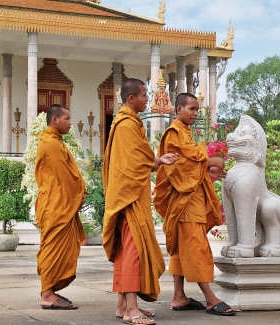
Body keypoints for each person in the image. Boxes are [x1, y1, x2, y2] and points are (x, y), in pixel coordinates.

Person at [103, 78, 179, 325]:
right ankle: (131, 309)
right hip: (129, 197)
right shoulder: (126, 125)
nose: (148, 99)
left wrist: (157, 161)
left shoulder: (129, 123)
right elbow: (132, 163)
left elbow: (138, 157)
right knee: (133, 250)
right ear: (131, 98)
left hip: (130, 194)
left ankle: (122, 305)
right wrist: (154, 161)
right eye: (145, 95)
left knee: (125, 251)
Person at [153, 93, 236, 316]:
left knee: (183, 247)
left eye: (197, 109)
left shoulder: (185, 134)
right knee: (195, 246)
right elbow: (178, 167)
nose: (196, 113)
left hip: (191, 199)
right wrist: (210, 161)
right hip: (184, 201)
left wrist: (208, 168)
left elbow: (191, 165)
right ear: (179, 109)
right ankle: (210, 298)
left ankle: (179, 296)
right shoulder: (173, 134)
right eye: (191, 108)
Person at [35, 104, 87, 310]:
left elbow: (64, 175)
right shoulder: (51, 144)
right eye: (67, 118)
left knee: (58, 248)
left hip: (58, 204)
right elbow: (62, 177)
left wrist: (77, 193)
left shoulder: (56, 142)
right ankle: (47, 295)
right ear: (54, 120)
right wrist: (77, 195)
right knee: (52, 249)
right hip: (56, 206)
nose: (70, 122)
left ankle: (49, 292)